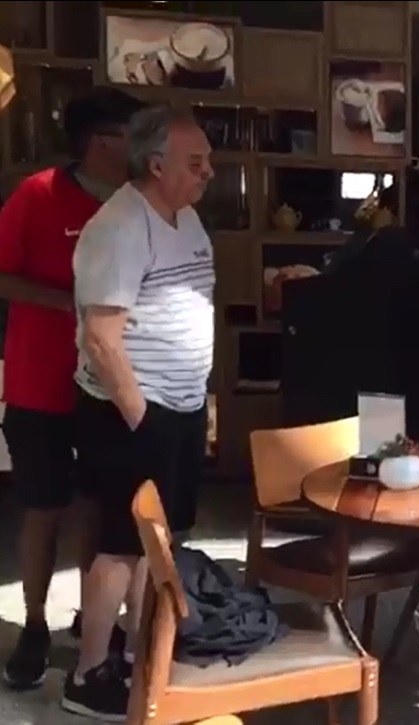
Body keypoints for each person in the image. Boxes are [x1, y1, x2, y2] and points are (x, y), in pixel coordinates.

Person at [63, 104, 215, 720]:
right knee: (123, 544)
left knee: (162, 541)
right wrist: (143, 419)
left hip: (176, 408)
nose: (209, 173)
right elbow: (101, 338)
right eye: (196, 162)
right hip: (129, 411)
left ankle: (134, 651)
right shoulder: (120, 226)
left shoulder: (184, 216)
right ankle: (88, 672)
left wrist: (199, 406)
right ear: (156, 165)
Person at [0, 87, 143, 691]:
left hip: (111, 384)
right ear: (98, 142)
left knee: (98, 505)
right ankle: (34, 623)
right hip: (40, 381)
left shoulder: (139, 205)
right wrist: (76, 306)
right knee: (44, 507)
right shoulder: (37, 195)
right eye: (131, 136)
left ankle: (95, 620)